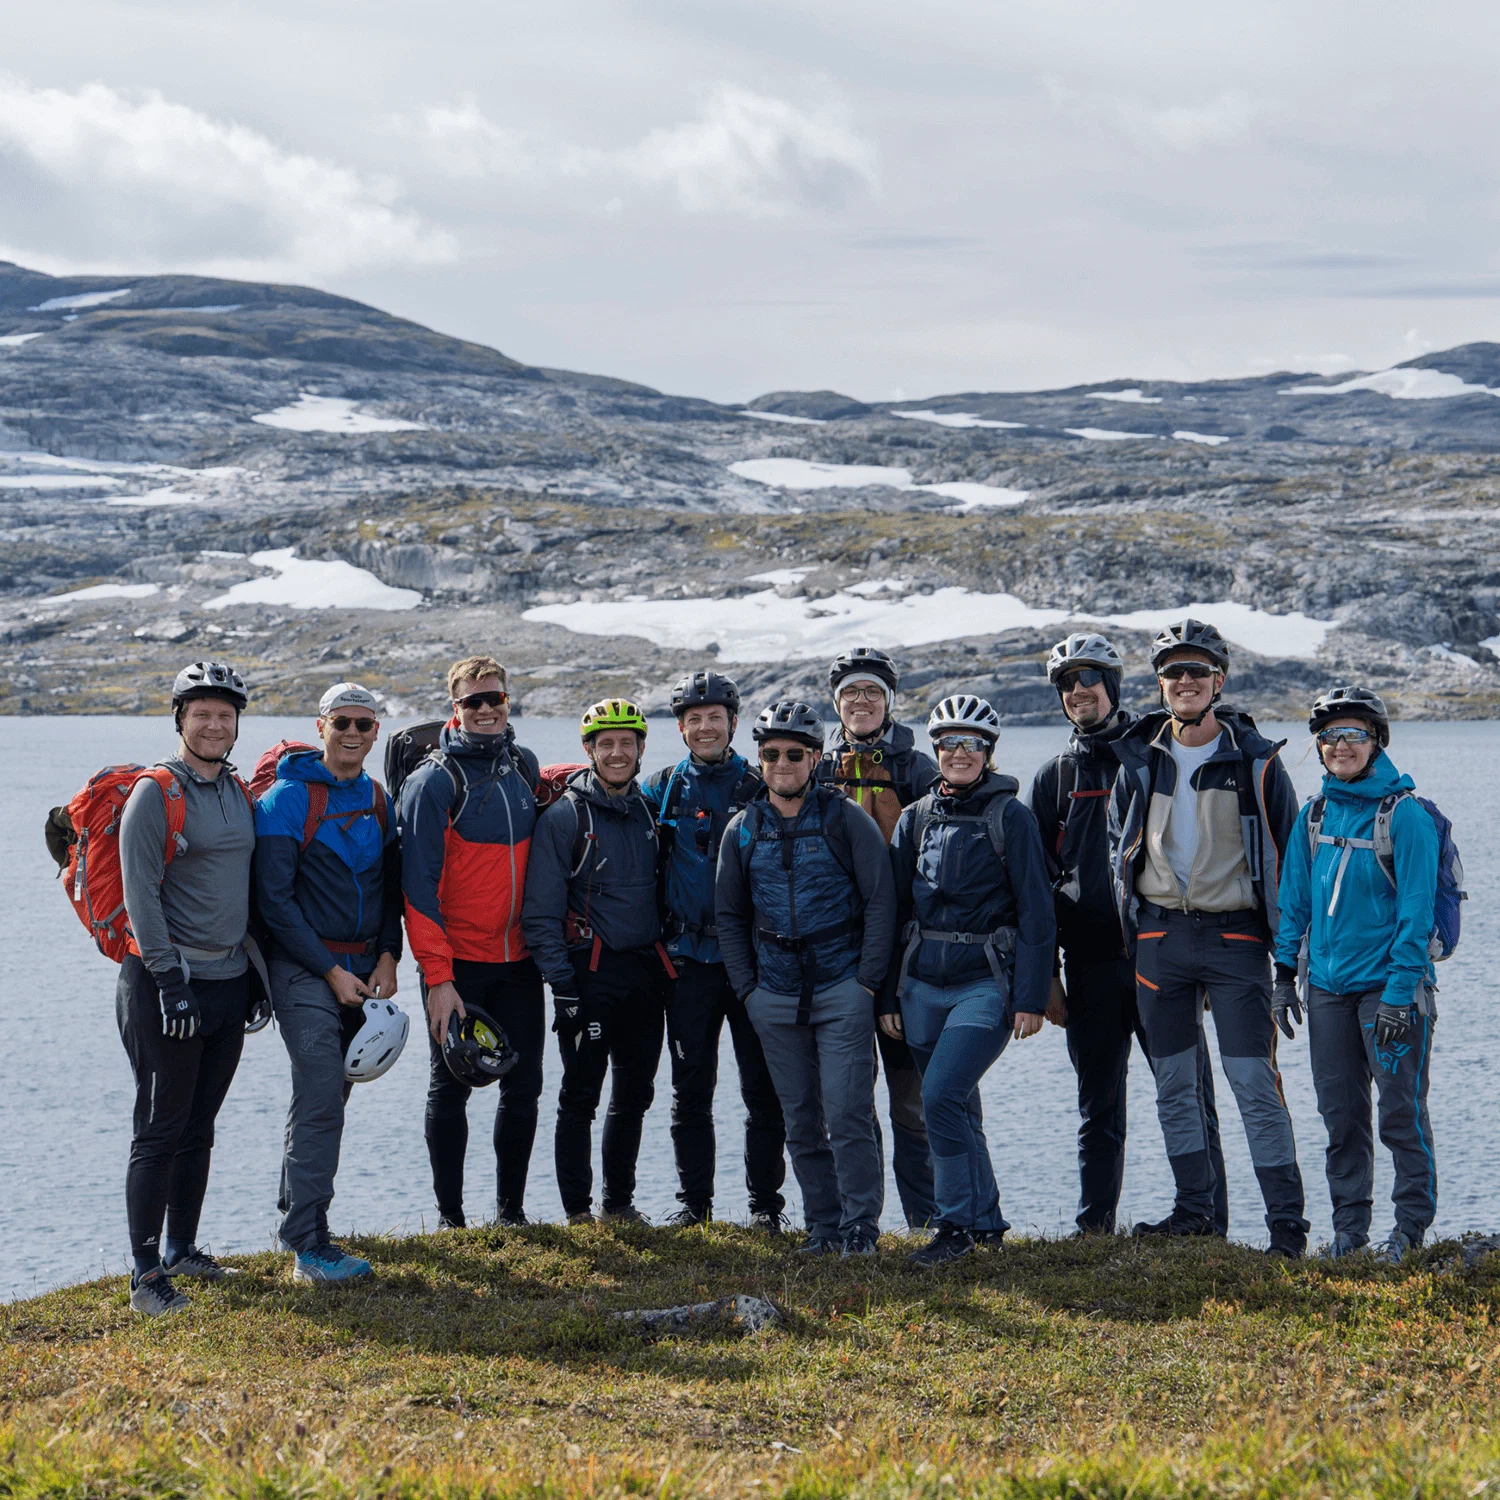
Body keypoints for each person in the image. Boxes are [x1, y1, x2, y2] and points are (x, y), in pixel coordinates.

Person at [1109, 618, 1309, 1257]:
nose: (1185, 681)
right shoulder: (1138, 761)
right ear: (1160, 686)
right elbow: (1121, 852)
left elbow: (1287, 862)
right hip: (1161, 938)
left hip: (1238, 941)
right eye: (1173, 672)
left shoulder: (1257, 762)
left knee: (1252, 1082)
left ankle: (1287, 1229)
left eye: (1198, 671)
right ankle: (1194, 1213)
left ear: (1219, 681)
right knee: (1172, 1082)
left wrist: (1288, 961)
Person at [1029, 633, 1228, 1236]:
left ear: (1113, 686)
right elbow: (1037, 890)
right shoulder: (1053, 778)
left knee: (1188, 1097)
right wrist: (1048, 980)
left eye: (1088, 678)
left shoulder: (1149, 755)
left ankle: (1207, 1225)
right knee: (1098, 1107)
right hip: (1087, 966)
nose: (1077, 691)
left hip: (1160, 957)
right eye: (1066, 683)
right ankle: (1095, 1230)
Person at [717, 701, 898, 1258]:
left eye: (794, 753)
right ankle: (822, 1228)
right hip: (773, 996)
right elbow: (728, 915)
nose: (781, 764)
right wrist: (748, 990)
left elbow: (880, 902)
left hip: (843, 989)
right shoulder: (742, 829)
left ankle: (861, 1228)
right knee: (800, 1119)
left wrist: (867, 982)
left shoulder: (846, 820)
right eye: (770, 754)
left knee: (847, 1112)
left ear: (816, 757)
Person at [885, 697, 1055, 1267]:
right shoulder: (915, 817)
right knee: (960, 1107)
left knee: (939, 1097)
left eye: (972, 744)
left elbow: (1038, 914)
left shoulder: (1013, 818)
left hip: (984, 985)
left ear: (989, 752)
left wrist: (1031, 997)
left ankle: (953, 1225)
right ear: (935, 751)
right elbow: (891, 910)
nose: (960, 753)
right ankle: (986, 1224)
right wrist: (888, 994)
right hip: (919, 987)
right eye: (950, 743)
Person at [1273, 687, 1440, 1264]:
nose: (1341, 746)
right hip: (1326, 991)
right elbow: (1293, 902)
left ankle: (1410, 1232)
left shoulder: (1405, 816)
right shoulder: (1314, 815)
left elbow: (1417, 914)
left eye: (1354, 735)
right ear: (1319, 748)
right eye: (1330, 737)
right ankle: (1349, 1238)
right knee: (1341, 1118)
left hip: (1390, 993)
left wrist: (1399, 996)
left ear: (1377, 742)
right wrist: (1280, 975)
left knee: (1400, 1113)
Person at [116, 661, 259, 1315]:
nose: (212, 723)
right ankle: (146, 1276)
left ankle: (183, 1250)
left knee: (200, 1126)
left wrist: (253, 973)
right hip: (164, 985)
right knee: (159, 1128)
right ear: (180, 719)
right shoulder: (157, 791)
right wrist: (170, 982)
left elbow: (243, 889)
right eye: (200, 712)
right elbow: (139, 894)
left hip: (229, 984)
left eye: (224, 715)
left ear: (236, 726)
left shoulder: (236, 790)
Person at [254, 683, 402, 1282]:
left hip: (363, 968)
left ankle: (299, 1218)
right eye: (342, 721)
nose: (353, 733)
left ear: (375, 733)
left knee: (328, 1096)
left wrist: (389, 955)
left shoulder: (376, 797)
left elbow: (391, 885)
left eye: (365, 725)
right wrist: (329, 971)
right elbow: (274, 902)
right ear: (320, 727)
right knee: (321, 1093)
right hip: (302, 967)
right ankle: (309, 1246)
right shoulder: (286, 800)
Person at [640, 671, 787, 1230]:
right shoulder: (661, 789)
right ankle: (694, 1205)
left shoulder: (758, 786)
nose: (705, 727)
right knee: (690, 1090)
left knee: (762, 1091)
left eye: (715, 717)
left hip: (751, 965)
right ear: (680, 728)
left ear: (732, 722)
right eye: (694, 718)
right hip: (686, 963)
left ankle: (764, 1208)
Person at [400, 655, 543, 1229]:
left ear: (508, 701)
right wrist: (438, 979)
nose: (486, 710)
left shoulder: (522, 764)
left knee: (523, 1086)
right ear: (453, 710)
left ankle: (511, 1213)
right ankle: (451, 1220)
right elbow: (417, 892)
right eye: (473, 702)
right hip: (457, 963)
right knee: (451, 1086)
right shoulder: (433, 782)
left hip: (519, 959)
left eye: (496, 699)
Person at [521, 699, 670, 1224]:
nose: (616, 753)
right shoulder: (566, 816)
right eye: (605, 744)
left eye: (626, 743)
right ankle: (578, 1212)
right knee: (580, 1096)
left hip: (645, 974)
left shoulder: (648, 810)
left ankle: (619, 1204)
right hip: (589, 974)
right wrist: (562, 986)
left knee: (635, 1094)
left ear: (640, 748)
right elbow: (539, 913)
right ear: (588, 750)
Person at [816, 646, 938, 1229]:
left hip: (907, 958)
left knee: (915, 1104)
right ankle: (855, 1221)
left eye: (872, 692)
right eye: (850, 694)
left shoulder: (918, 769)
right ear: (835, 704)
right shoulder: (816, 767)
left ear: (889, 701)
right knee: (846, 1104)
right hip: (835, 958)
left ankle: (930, 1221)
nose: (860, 702)